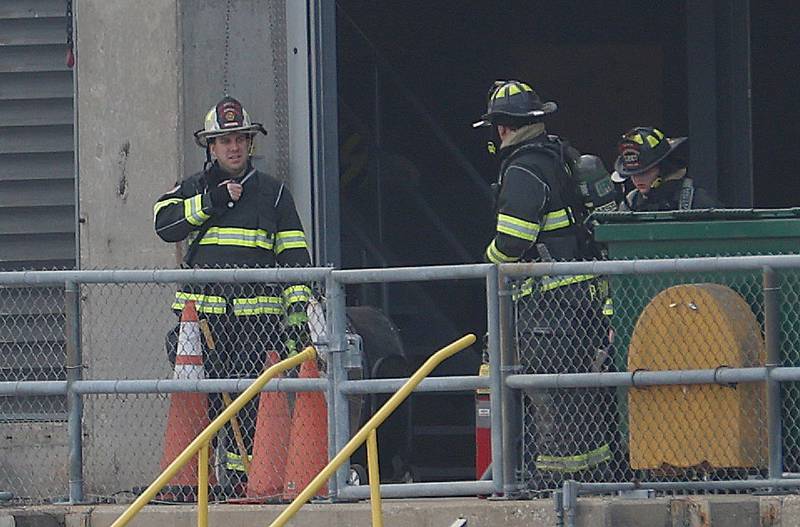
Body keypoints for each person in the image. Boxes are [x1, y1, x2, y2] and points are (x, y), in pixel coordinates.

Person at [153, 96, 312, 492]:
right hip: (202, 325)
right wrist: (211, 203)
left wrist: (296, 322)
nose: (234, 147)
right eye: (225, 141)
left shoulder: (274, 194)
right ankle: (199, 487)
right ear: (211, 147)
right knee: (200, 406)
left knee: (251, 410)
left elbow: (295, 261)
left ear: (250, 143)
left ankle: (244, 485)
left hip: (258, 326)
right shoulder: (192, 188)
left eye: (241, 138)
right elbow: (164, 224)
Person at [473, 80, 615, 489]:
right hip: (580, 300)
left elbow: (513, 241)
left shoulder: (522, 168)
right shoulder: (561, 156)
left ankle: (553, 485)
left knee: (551, 397)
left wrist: (488, 265)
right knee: (579, 397)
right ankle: (593, 476)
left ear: (501, 128)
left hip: (547, 307)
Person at [614, 126, 718, 211]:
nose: (638, 179)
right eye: (634, 174)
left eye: (645, 172)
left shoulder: (696, 201)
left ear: (663, 168)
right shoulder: (631, 203)